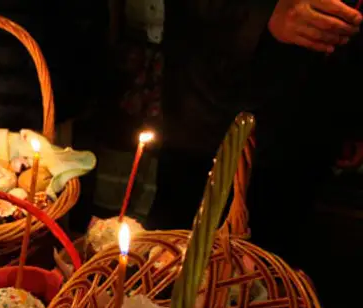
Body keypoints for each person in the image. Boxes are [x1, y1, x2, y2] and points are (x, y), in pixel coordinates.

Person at [146, 0, 362, 271]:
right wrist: (262, 13)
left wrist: (352, 112)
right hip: (211, 121)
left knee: (275, 274)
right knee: (173, 270)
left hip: (307, 128)